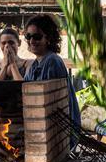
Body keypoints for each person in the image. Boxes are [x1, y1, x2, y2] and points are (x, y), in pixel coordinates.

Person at [21, 14, 82, 142]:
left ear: (48, 38)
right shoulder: (33, 66)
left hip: (59, 135)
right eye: (28, 36)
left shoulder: (52, 62)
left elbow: (52, 105)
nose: (32, 41)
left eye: (37, 37)